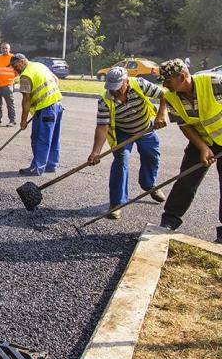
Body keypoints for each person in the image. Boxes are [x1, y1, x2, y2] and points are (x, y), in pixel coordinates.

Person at [87, 67, 168, 219]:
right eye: (111, 89)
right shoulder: (105, 101)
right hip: (122, 133)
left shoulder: (140, 84)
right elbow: (102, 127)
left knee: (151, 156)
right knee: (121, 161)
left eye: (117, 88)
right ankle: (116, 203)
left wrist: (161, 115)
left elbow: (164, 95)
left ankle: (149, 186)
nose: (114, 92)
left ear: (126, 81)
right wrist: (96, 152)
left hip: (145, 128)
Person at [158, 59, 222, 244]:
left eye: (168, 80)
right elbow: (184, 125)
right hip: (201, 140)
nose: (164, 85)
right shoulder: (171, 96)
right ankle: (169, 220)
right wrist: (202, 147)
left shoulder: (214, 83)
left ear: (182, 76)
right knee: (186, 179)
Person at [9, 53, 63, 176]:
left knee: (40, 139)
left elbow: (26, 100)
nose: (14, 68)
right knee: (53, 138)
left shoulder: (25, 76)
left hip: (46, 109)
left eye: (15, 65)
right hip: (57, 105)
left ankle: (37, 168)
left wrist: (23, 121)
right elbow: (56, 80)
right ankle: (51, 165)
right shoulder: (39, 65)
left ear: (22, 61)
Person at [0, 42, 16, 127]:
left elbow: (18, 70)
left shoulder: (13, 58)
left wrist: (12, 78)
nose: (4, 49)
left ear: (9, 49)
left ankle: (12, 120)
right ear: (1, 49)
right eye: (3, 48)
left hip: (8, 85)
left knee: (10, 103)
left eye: (6, 48)